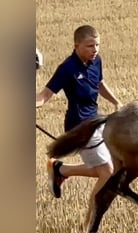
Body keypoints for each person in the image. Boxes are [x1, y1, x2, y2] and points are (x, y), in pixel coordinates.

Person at [36, 25, 123, 212]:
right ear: (76, 46)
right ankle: (92, 216)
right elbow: (44, 96)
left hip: (96, 121)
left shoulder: (96, 61)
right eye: (90, 46)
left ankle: (61, 170)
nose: (95, 50)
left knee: (111, 167)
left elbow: (99, 84)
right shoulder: (67, 68)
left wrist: (116, 101)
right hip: (79, 127)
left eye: (97, 45)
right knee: (107, 171)